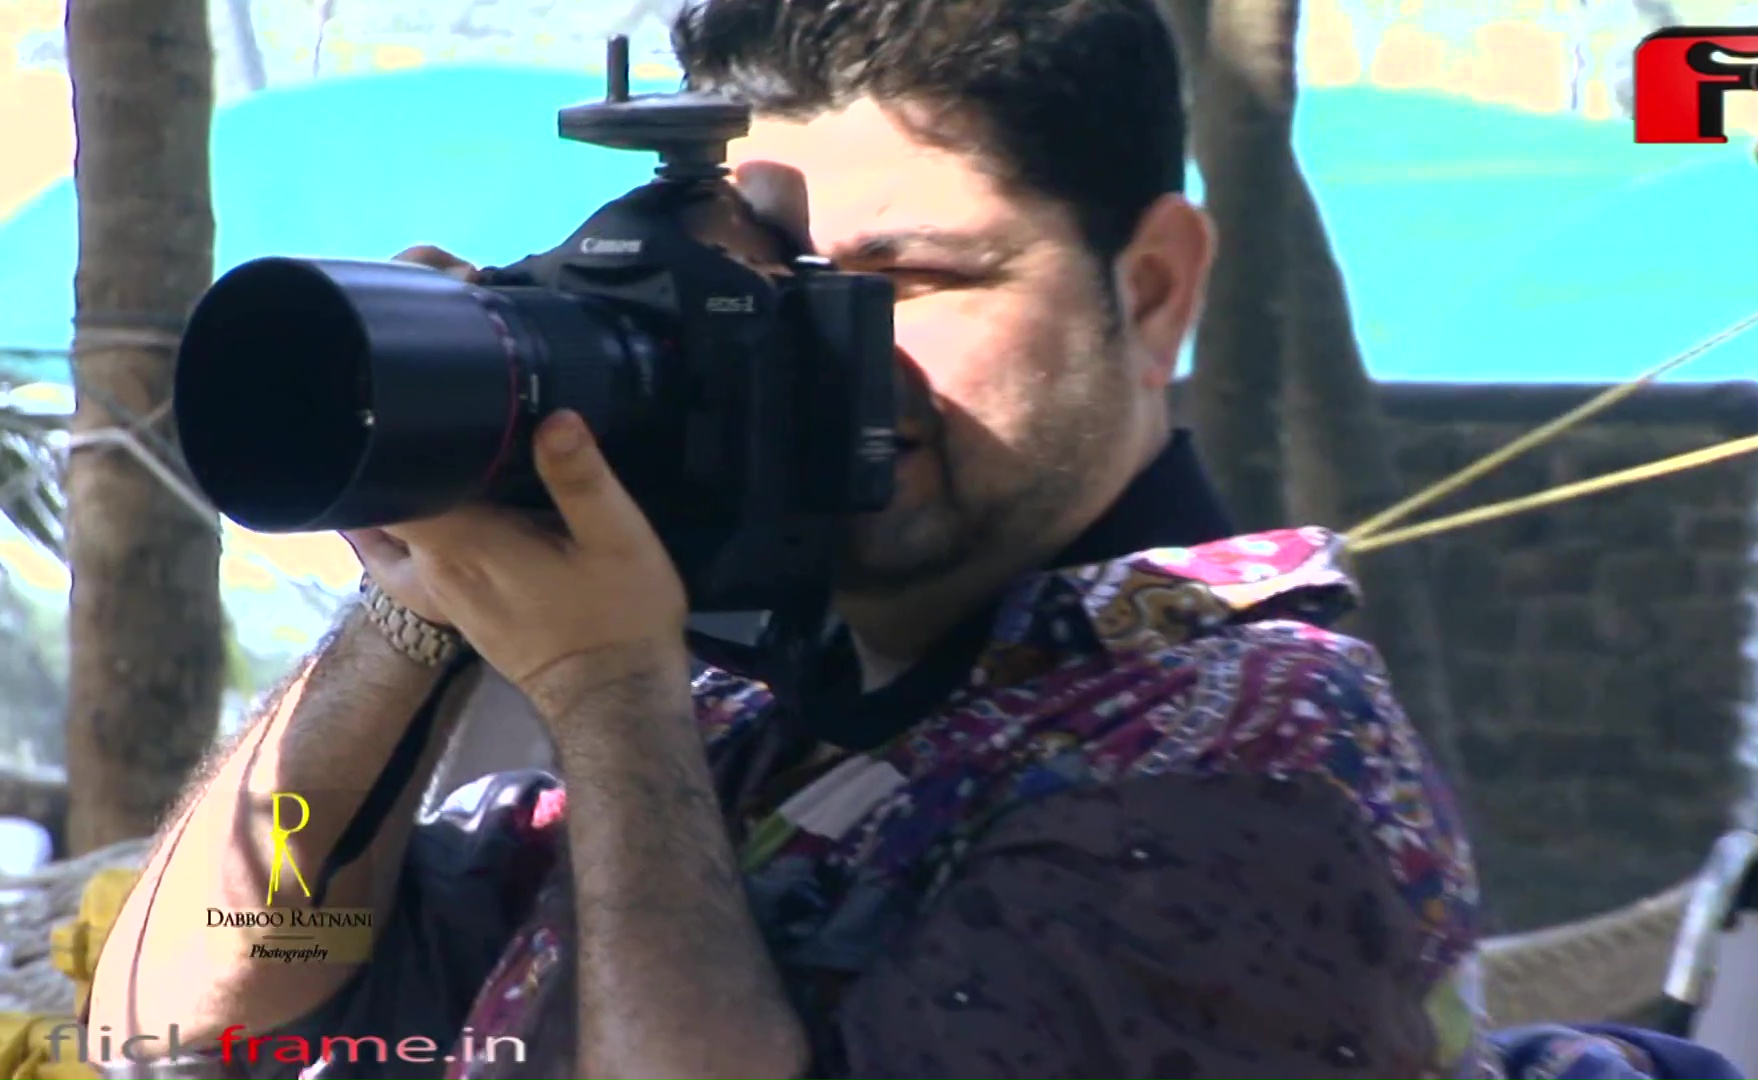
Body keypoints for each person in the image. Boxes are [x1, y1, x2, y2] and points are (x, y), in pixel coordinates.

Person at [86, 0, 1485, 1077]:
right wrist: (418, 601)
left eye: (901, 278)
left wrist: (609, 697)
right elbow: (184, 1015)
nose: (811, 354)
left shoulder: (1249, 757)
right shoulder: (744, 715)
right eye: (753, 285)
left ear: (1156, 288)